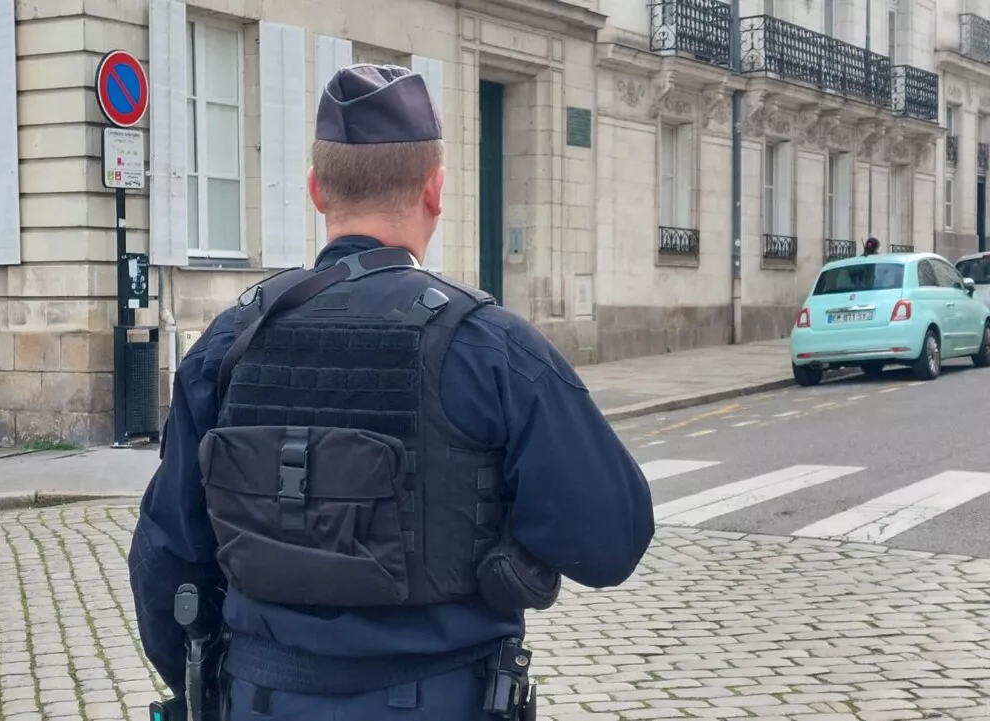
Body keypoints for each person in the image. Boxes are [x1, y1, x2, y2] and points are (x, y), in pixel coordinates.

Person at [129, 63, 655, 721]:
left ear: (317, 191)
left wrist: (202, 687)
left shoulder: (227, 345)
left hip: (263, 699)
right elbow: (614, 535)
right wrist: (514, 558)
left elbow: (165, 557)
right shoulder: (490, 348)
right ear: (435, 190)